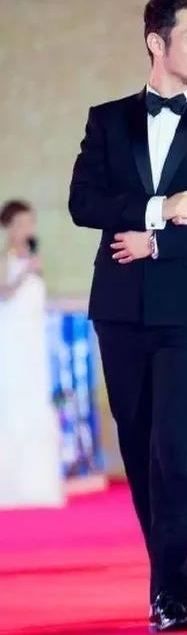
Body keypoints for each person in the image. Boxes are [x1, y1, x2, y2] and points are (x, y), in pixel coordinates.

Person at [69, 0, 187, 631]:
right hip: (118, 308)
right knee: (140, 449)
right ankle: (178, 572)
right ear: (158, 42)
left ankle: (168, 598)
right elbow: (83, 203)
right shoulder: (108, 120)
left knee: (174, 451)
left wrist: (159, 241)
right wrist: (156, 208)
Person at [0, 200, 63, 508]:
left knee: (36, 401)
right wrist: (26, 271)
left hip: (34, 342)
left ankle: (38, 484)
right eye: (21, 224)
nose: (27, 229)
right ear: (9, 227)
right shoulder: (5, 258)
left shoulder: (35, 258)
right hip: (11, 340)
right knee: (13, 402)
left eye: (30, 223)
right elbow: (4, 292)